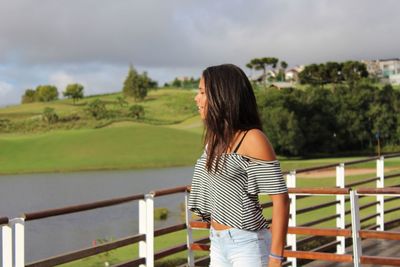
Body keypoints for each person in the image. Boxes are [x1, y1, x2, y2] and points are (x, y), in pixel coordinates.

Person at [188, 64, 289, 267]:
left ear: (221, 96)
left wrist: (276, 258)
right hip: (217, 241)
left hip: (248, 244)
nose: (196, 98)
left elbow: (281, 200)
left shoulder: (253, 139)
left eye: (201, 92)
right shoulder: (215, 139)